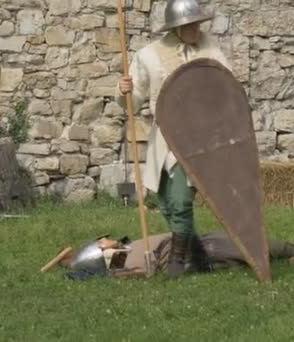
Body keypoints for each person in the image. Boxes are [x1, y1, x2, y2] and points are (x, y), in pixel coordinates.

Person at [114, 0, 232, 279]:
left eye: (197, 23)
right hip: (164, 139)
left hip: (198, 139)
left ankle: (178, 262)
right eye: (188, 24)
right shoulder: (149, 56)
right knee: (166, 202)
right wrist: (124, 90)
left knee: (180, 201)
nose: (195, 28)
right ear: (175, 27)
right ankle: (200, 255)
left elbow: (227, 86)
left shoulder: (210, 50)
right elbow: (133, 100)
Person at [58, 231, 294, 280]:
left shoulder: (126, 250)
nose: (106, 238)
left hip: (200, 240)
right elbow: (139, 272)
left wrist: (72, 262)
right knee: (258, 246)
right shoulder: (125, 262)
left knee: (261, 244)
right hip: (201, 250)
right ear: (101, 253)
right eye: (102, 241)